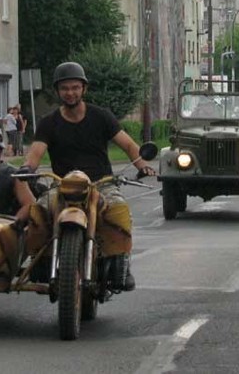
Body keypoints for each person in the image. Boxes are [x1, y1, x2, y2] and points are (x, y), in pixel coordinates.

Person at [18, 62, 156, 292]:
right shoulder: (49, 123)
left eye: (74, 87)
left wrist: (142, 165)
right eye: (64, 88)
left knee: (119, 208)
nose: (70, 92)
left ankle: (121, 263)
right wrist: (27, 168)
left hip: (101, 183)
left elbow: (128, 144)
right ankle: (40, 261)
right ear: (58, 91)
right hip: (62, 184)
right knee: (40, 210)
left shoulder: (101, 117)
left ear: (84, 89)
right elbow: (35, 153)